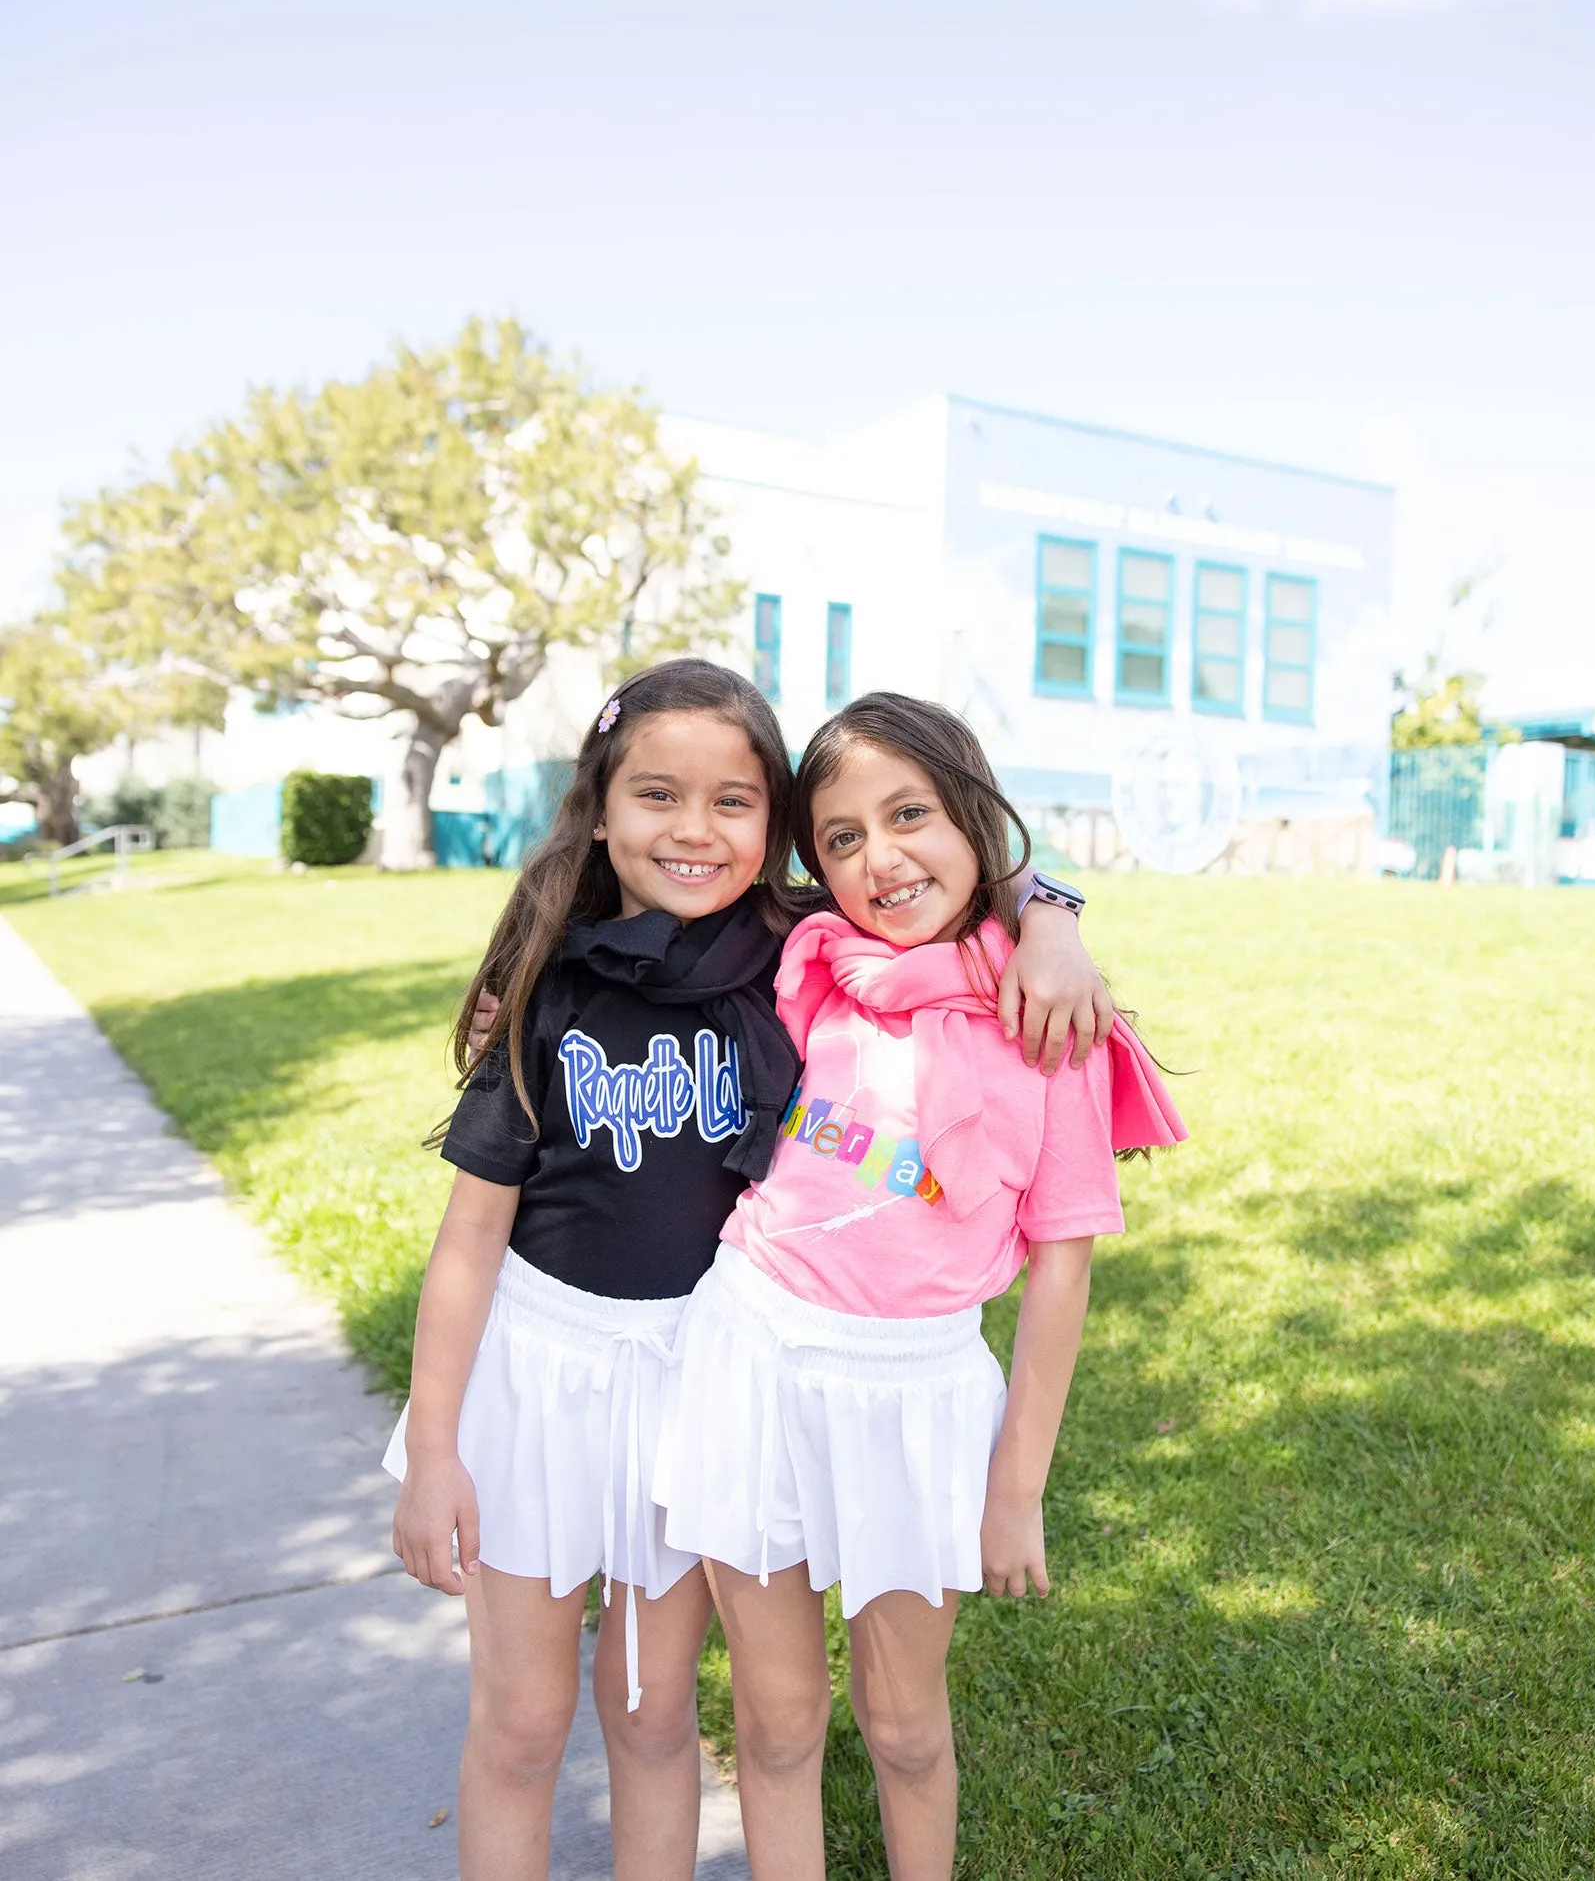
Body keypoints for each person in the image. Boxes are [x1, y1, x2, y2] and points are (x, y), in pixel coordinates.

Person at [385, 658, 1111, 1881]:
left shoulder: (791, 946)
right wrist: (435, 1444)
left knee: (656, 1712)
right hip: (555, 1380)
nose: (693, 828)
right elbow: (468, 1239)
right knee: (522, 1726)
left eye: (734, 804)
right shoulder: (570, 985)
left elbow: (943, 851)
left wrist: (1054, 911)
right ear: (600, 806)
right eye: (657, 795)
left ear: (769, 833)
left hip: (705, 1376)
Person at [652, 691, 1186, 1881]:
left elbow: (1061, 1269)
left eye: (910, 816)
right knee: (777, 1721)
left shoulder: (1048, 1017)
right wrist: (507, 996)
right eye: (840, 837)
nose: (879, 857)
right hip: (751, 1352)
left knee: (903, 1725)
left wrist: (1018, 1485)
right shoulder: (805, 957)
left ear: (973, 817)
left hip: (918, 1392)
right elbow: (653, 900)